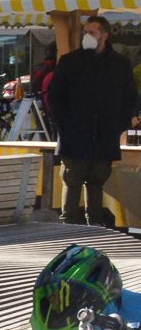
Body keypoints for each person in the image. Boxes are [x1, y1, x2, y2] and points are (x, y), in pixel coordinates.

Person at [47, 14, 136, 227]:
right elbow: (55, 97)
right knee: (72, 182)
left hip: (104, 136)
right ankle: (67, 228)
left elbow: (130, 98)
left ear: (104, 35)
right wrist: (63, 126)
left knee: (96, 184)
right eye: (86, 32)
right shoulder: (71, 61)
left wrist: (118, 126)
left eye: (92, 32)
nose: (87, 36)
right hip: (74, 136)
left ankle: (94, 228)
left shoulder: (119, 64)